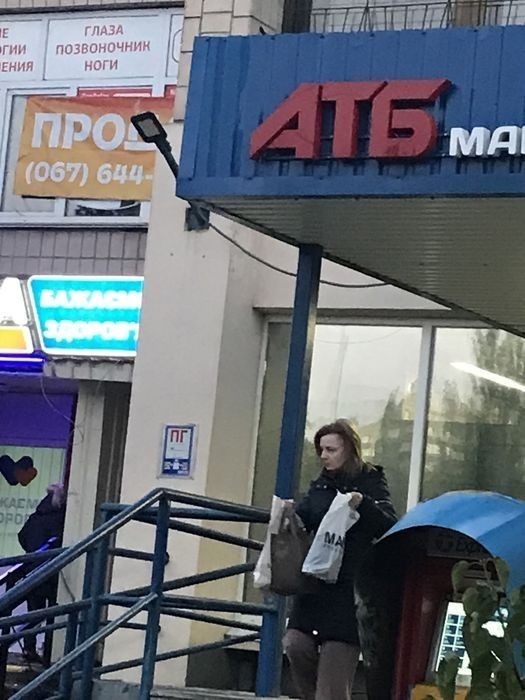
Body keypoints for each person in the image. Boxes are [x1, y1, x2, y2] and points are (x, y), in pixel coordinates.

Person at [283, 419, 397, 700]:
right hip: (316, 587)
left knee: (333, 678)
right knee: (295, 643)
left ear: (348, 449)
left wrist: (363, 504)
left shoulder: (371, 481)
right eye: (321, 450)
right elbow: (306, 516)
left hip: (349, 590)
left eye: (331, 450)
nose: (324, 456)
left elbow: (388, 525)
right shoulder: (321, 484)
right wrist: (290, 517)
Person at [17, 483, 67, 663]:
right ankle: (49, 650)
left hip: (32, 570)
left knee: (33, 612)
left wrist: (31, 551)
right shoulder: (61, 519)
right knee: (52, 613)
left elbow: (22, 536)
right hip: (51, 572)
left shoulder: (35, 518)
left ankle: (29, 647)